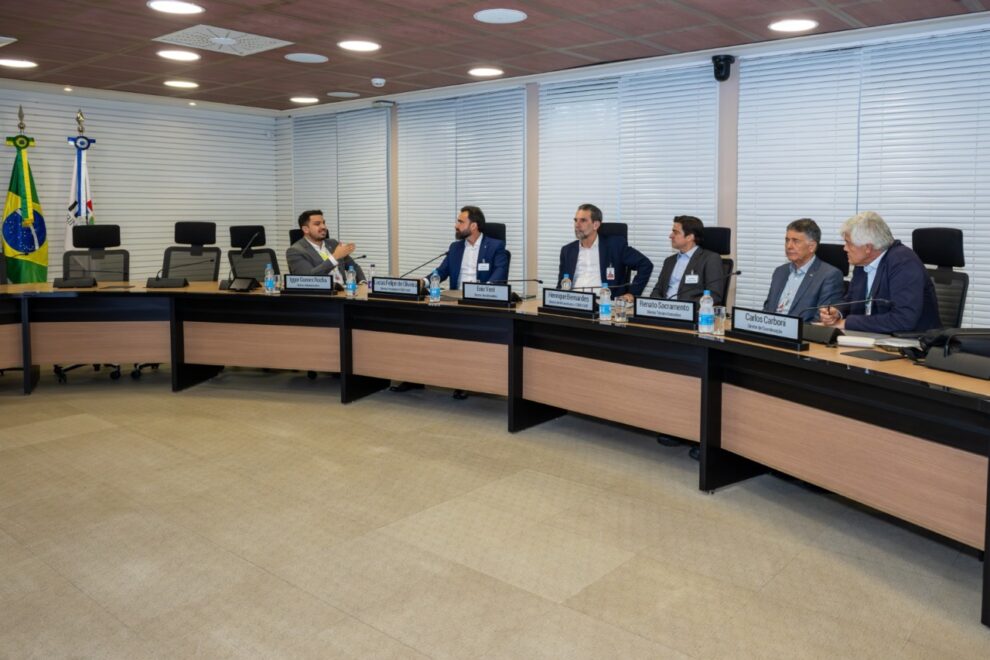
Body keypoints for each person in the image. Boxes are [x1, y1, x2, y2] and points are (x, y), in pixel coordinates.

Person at [819, 211, 940, 333]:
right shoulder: (862, 264)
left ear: (868, 248)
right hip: (872, 337)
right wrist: (837, 312)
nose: (844, 248)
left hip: (911, 342)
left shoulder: (903, 262)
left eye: (848, 243)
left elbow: (903, 319)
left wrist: (846, 323)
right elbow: (851, 300)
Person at [557, 203, 653, 300]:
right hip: (574, 301)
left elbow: (645, 264)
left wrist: (632, 293)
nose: (577, 225)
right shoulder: (567, 250)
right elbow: (562, 283)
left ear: (596, 225)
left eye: (583, 220)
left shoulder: (615, 245)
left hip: (603, 303)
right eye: (575, 220)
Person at [763, 218, 844, 322]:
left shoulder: (829, 275)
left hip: (801, 336)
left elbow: (821, 321)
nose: (789, 246)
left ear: (812, 246)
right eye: (787, 240)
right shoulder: (780, 272)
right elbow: (767, 310)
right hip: (771, 332)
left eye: (795, 241)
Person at [650, 215, 726, 305]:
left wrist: (684, 308)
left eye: (676, 232)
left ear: (689, 237)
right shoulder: (669, 261)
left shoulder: (710, 259)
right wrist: (659, 305)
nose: (671, 236)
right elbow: (657, 290)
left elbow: (714, 295)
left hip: (690, 313)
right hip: (664, 311)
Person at [432, 205, 508, 289]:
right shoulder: (455, 247)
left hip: (481, 296)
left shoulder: (495, 246)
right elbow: (441, 272)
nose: (456, 226)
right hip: (456, 298)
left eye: (461, 222)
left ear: (473, 226)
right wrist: (424, 282)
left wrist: (487, 289)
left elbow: (500, 271)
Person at [286, 210, 365, 282]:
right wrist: (335, 257)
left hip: (344, 292)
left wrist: (363, 282)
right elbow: (308, 279)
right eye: (317, 224)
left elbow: (353, 266)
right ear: (306, 229)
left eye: (323, 223)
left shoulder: (333, 243)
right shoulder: (295, 251)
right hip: (321, 296)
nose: (324, 227)